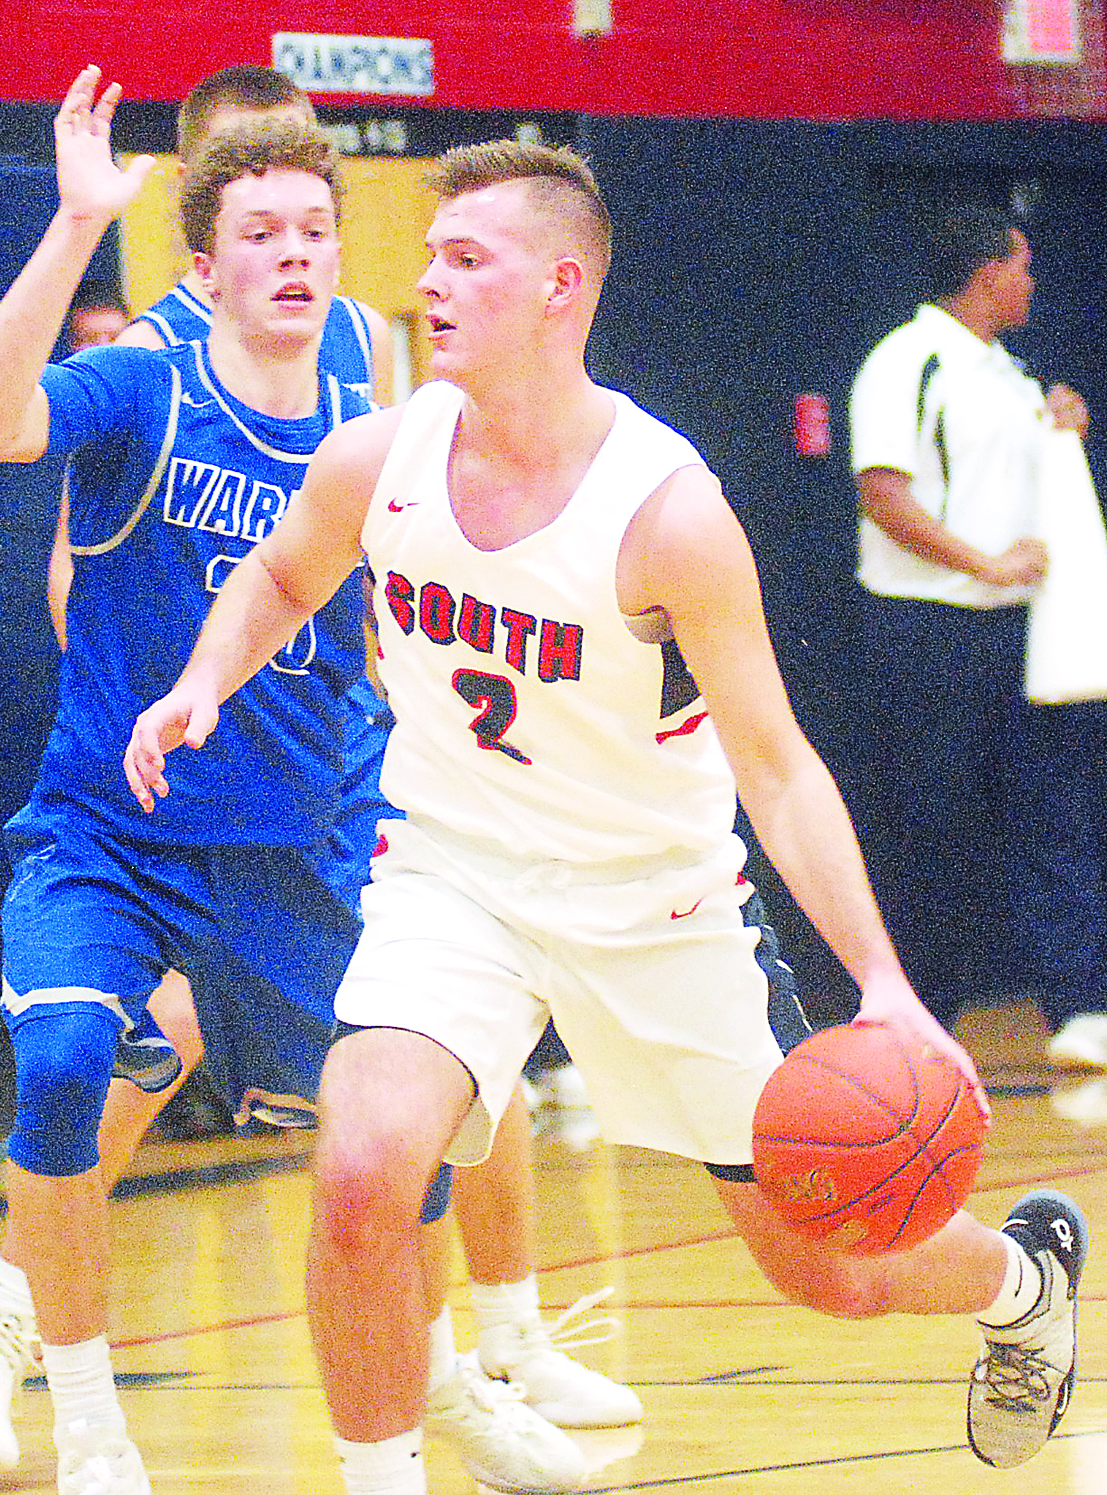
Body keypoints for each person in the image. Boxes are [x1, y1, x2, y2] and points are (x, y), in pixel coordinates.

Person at [125, 141, 1089, 1492]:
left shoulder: (667, 513)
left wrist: (881, 978)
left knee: (830, 1273)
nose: (428, 282)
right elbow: (285, 575)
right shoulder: (379, 456)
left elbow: (778, 768)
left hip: (657, 901)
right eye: (432, 255)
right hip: (455, 878)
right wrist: (201, 682)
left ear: (561, 286)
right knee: (362, 1171)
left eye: (468, 259)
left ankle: (1022, 1281)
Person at [0, 71, 605, 1495]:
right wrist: (72, 227)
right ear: (202, 260)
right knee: (70, 1067)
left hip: (300, 822)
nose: (293, 254)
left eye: (314, 229)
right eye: (261, 232)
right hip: (122, 817)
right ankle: (83, 1420)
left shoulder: (372, 380)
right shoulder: (146, 374)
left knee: (408, 1137)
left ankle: (449, 1374)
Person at [848, 203, 1107, 1066]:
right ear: (990, 271)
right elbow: (884, 495)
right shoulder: (905, 360)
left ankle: (1078, 1007)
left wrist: (1060, 426)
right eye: (1023, 266)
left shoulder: (1013, 376)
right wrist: (985, 564)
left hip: (1021, 634)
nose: (1032, 283)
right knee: (935, 830)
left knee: (1054, 812)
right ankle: (917, 1018)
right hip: (929, 633)